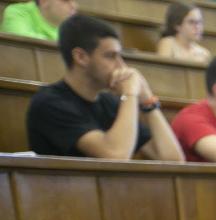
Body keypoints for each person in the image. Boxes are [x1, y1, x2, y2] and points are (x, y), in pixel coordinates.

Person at [26, 14, 183, 161]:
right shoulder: (50, 103)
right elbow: (115, 156)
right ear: (80, 57)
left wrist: (148, 100)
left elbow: (174, 161)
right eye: (110, 56)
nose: (121, 65)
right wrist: (130, 93)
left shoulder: (110, 103)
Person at [1, 0, 75, 41]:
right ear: (44, 1)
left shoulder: (71, 28)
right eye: (66, 0)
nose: (73, 6)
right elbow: (22, 43)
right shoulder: (17, 12)